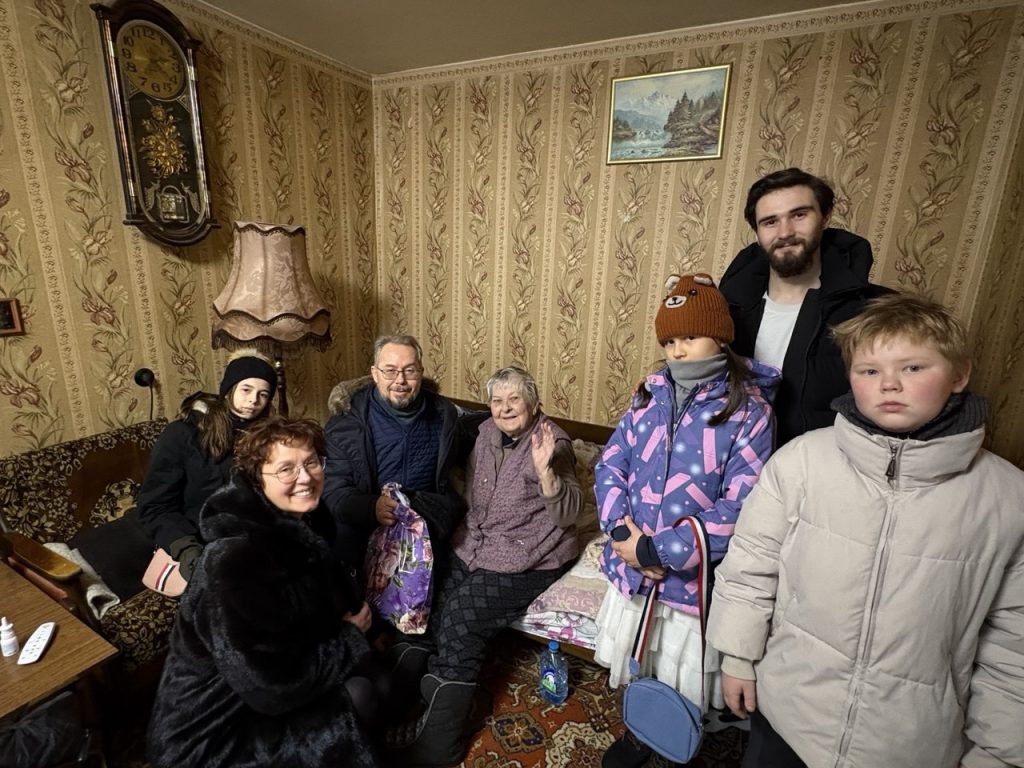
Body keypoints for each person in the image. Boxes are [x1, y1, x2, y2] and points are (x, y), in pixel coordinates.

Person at [707, 294, 1024, 768]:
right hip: (790, 711)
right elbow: (750, 565)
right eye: (869, 370)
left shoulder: (1008, 500)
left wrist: (998, 754)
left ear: (959, 375)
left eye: (913, 368)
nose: (889, 384)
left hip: (908, 743)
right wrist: (736, 657)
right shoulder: (801, 463)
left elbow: (1014, 643)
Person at [594, 274, 779, 768]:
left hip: (690, 580)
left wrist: (659, 550)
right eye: (669, 340)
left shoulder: (749, 412)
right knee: (640, 659)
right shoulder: (648, 395)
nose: (677, 350)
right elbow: (611, 464)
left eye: (690, 337)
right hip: (634, 564)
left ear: (719, 336)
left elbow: (744, 506)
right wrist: (623, 535)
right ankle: (640, 731)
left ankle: (679, 739)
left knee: (681, 673)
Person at [146, 417, 378, 768]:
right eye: (286, 469)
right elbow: (269, 689)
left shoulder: (303, 524)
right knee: (360, 695)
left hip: (260, 697)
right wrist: (348, 639)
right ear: (257, 478)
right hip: (211, 737)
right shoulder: (234, 560)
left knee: (379, 681)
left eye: (312, 463)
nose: (305, 477)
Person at [387, 366, 582, 766]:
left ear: (534, 403)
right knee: (431, 596)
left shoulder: (553, 442)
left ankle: (438, 742)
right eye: (497, 400)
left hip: (530, 555)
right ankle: (405, 697)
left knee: (462, 618)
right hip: (476, 542)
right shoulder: (485, 432)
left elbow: (569, 513)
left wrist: (547, 473)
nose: (505, 408)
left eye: (515, 399)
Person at [719, 167, 890, 446]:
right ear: (757, 233)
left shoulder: (877, 312)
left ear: (825, 217)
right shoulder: (725, 308)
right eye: (770, 221)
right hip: (735, 463)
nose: (785, 232)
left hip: (820, 463)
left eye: (799, 215)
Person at [323, 334, 466, 568]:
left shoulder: (444, 414)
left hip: (425, 522)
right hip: (365, 526)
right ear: (374, 373)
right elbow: (334, 491)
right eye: (390, 371)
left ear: (421, 371)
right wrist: (372, 508)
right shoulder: (346, 421)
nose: (400, 380)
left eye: (409, 370)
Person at [137, 353, 276, 581]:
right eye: (246, 390)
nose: (253, 400)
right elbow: (155, 506)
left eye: (263, 394)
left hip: (254, 541)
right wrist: (186, 548)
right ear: (229, 390)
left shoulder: (268, 437)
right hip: (199, 543)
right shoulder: (184, 434)